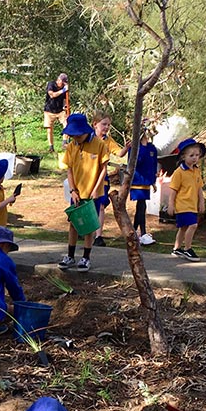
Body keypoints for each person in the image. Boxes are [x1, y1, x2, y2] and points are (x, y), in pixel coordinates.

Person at [58, 113, 110, 273]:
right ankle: (70, 255)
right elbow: (70, 170)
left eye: (78, 134)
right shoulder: (72, 146)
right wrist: (73, 190)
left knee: (89, 226)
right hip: (77, 193)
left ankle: (86, 257)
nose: (76, 137)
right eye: (73, 135)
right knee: (73, 224)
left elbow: (103, 169)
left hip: (93, 193)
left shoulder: (99, 144)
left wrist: (95, 190)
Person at [90, 112, 127, 246]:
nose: (106, 127)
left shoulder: (108, 140)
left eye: (108, 125)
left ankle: (99, 236)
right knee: (88, 205)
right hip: (88, 177)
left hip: (102, 176)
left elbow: (119, 153)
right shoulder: (88, 137)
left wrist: (127, 147)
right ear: (95, 124)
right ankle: (87, 232)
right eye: (103, 124)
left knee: (100, 206)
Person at [167, 138, 206, 261]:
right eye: (191, 155)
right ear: (183, 156)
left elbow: (199, 188)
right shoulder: (179, 172)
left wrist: (201, 202)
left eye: (197, 155)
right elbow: (173, 190)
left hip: (192, 204)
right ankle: (187, 249)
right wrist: (171, 204)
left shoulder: (196, 171)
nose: (195, 158)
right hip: (182, 205)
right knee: (193, 225)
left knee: (183, 227)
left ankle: (176, 248)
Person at [129, 125, 160, 246]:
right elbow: (136, 162)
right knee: (141, 205)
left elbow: (153, 165)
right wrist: (143, 147)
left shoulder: (153, 148)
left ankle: (134, 231)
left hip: (147, 181)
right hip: (137, 181)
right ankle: (142, 233)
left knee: (141, 207)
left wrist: (153, 181)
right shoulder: (135, 148)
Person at [42, 73, 69, 152]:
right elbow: (52, 95)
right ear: (59, 80)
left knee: (67, 125)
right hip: (49, 111)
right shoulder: (51, 84)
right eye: (63, 82)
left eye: (65, 83)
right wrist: (63, 90)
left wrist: (65, 106)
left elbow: (65, 99)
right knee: (49, 129)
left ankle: (64, 142)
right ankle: (51, 147)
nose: (63, 84)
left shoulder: (64, 87)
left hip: (60, 111)